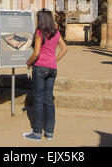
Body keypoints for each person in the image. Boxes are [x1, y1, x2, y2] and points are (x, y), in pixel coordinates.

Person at [22, 9, 68, 141]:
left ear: (41, 20)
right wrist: (53, 60)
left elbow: (36, 53)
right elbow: (65, 49)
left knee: (38, 100)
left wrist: (28, 62)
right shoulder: (56, 33)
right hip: (52, 69)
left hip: (40, 68)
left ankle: (36, 132)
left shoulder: (39, 33)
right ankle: (49, 132)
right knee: (49, 100)